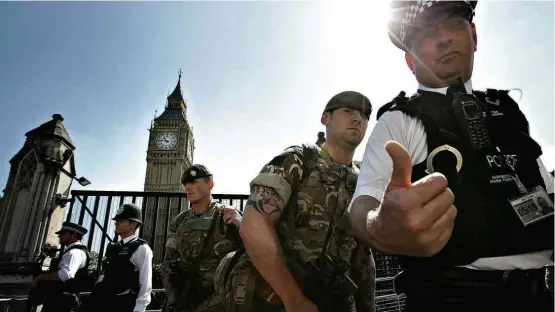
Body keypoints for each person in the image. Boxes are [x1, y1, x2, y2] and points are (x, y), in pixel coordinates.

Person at [348, 1, 554, 311]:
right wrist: (380, 228)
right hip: (450, 297)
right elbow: (363, 203)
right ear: (410, 60)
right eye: (427, 33)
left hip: (541, 294)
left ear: (474, 34)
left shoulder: (508, 112)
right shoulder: (399, 121)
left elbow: (545, 189)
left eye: (454, 24)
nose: (444, 38)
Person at [214, 91, 375, 312]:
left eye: (365, 116)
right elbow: (254, 225)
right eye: (348, 111)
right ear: (325, 118)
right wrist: (294, 300)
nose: (358, 119)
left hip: (329, 296)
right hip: (274, 295)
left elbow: (362, 256)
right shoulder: (299, 159)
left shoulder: (361, 181)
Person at [161, 164, 242, 312]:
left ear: (210, 184)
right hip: (185, 301)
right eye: (185, 183)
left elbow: (253, 252)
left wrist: (240, 224)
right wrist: (173, 298)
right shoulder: (179, 221)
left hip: (219, 302)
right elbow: (168, 263)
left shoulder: (227, 215)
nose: (188, 187)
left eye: (193, 182)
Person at [89, 203, 153, 312]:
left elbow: (145, 282)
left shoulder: (141, 248)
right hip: (103, 301)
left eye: (121, 221)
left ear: (133, 224)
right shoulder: (113, 247)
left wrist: (140, 308)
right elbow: (105, 273)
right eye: (116, 221)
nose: (116, 223)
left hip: (123, 303)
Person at [29, 222, 90, 312]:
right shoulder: (72, 252)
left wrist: (40, 277)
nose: (59, 236)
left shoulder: (74, 253)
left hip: (62, 303)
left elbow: (65, 274)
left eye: (63, 233)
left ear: (74, 235)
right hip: (59, 300)